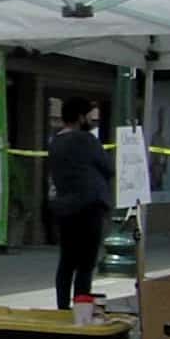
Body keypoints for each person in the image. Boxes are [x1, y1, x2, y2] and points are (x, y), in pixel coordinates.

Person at [47, 97, 112, 310]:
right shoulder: (86, 140)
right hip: (89, 207)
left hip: (65, 209)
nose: (91, 121)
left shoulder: (55, 143)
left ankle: (62, 309)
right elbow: (108, 167)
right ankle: (81, 310)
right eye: (88, 116)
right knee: (85, 264)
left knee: (66, 262)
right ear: (79, 117)